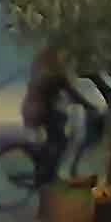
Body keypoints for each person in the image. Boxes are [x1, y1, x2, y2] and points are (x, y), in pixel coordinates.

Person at [19, 45, 91, 186]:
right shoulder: (56, 75)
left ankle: (43, 171)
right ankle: (50, 175)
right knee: (61, 141)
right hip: (41, 111)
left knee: (50, 140)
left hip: (28, 109)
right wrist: (90, 107)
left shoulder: (39, 69)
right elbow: (73, 94)